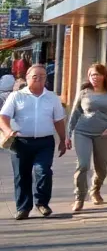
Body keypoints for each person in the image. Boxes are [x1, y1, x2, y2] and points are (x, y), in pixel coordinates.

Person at [0, 64, 67, 219]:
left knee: (43, 171)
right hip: (20, 142)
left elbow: (58, 121)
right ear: (27, 77)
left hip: (45, 142)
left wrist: (63, 140)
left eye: (42, 76)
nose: (38, 79)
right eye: (34, 76)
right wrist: (7, 131)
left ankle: (42, 203)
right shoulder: (16, 96)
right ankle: (23, 208)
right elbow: (3, 117)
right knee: (21, 175)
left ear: (46, 80)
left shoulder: (52, 98)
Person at [66, 63, 107, 212]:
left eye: (97, 74)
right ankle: (79, 197)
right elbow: (75, 113)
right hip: (82, 132)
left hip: (103, 134)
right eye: (91, 75)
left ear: (104, 76)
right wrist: (68, 134)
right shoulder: (84, 92)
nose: (94, 77)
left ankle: (95, 190)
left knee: (101, 169)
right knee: (83, 165)